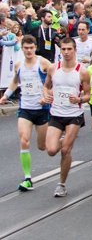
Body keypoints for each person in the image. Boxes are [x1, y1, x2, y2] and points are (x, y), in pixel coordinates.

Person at [0, 35, 52, 191]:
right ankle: (28, 178)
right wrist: (5, 95)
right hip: (26, 108)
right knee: (24, 140)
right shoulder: (18, 65)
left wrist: (47, 95)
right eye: (26, 48)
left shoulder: (42, 62)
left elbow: (55, 78)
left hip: (41, 110)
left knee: (43, 147)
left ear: (35, 47)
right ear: (22, 48)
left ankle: (62, 144)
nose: (29, 51)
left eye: (31, 48)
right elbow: (16, 81)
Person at [42, 36, 91, 197]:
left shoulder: (82, 71)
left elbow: (88, 95)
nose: (66, 52)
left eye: (69, 49)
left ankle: (61, 184)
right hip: (56, 113)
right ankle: (64, 140)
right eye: (63, 49)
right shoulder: (53, 68)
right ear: (60, 50)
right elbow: (46, 86)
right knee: (51, 150)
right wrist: (47, 95)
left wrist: (79, 99)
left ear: (75, 50)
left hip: (73, 115)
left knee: (65, 150)